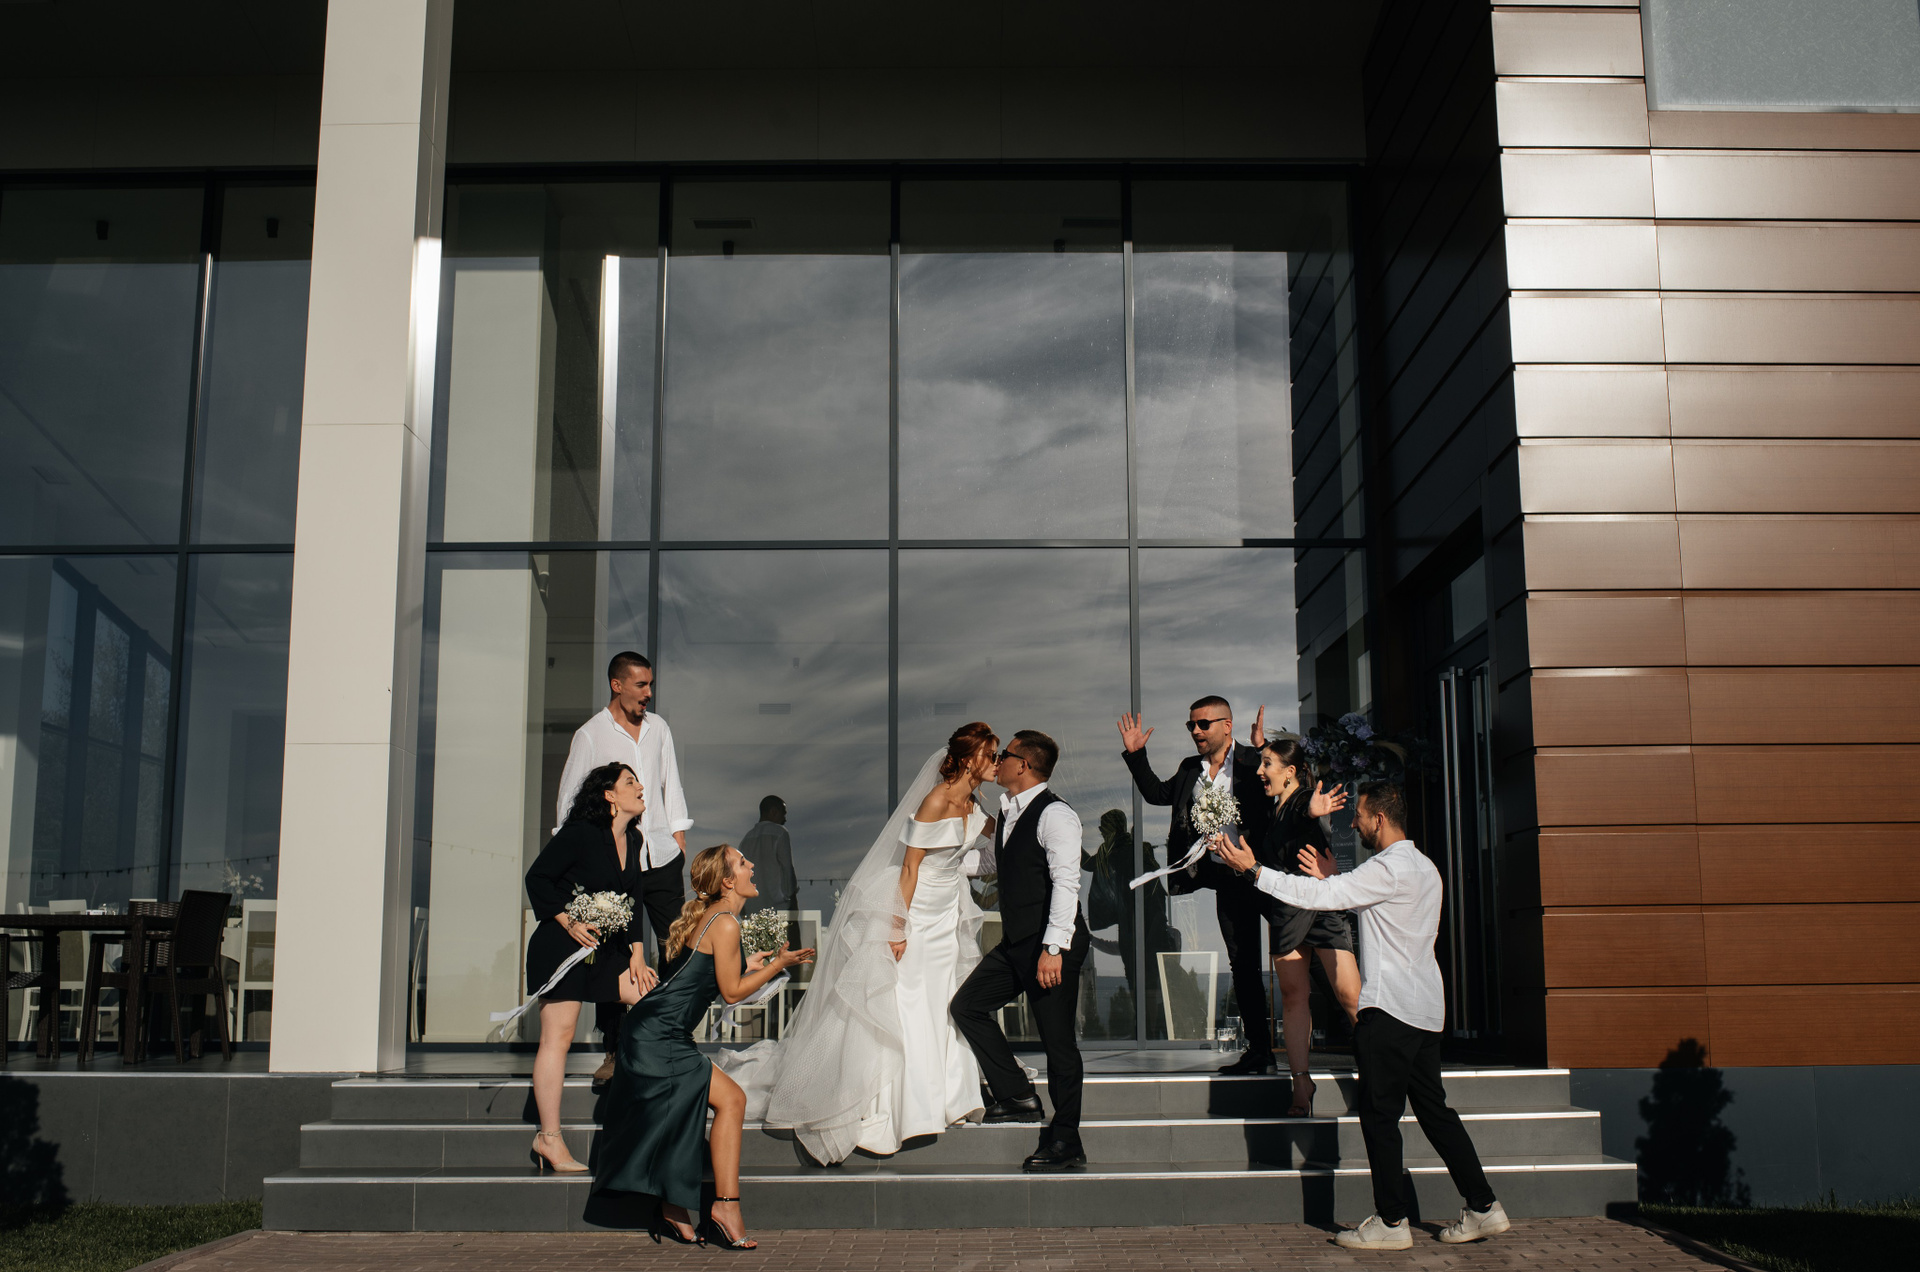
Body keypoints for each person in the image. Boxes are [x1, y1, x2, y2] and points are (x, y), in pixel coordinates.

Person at [1214, 781, 1511, 1249]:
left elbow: (1317, 898)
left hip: (1389, 1011)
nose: (1353, 823)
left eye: (1359, 815)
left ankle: (1392, 1223)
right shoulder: (1425, 868)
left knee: (1379, 1117)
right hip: (1425, 1011)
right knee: (1436, 1114)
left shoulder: (1386, 869)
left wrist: (1254, 870)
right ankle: (1484, 1207)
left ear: (1379, 819)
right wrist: (1334, 879)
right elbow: (1369, 907)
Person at [715, 723, 999, 1164]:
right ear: (968, 758)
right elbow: (909, 869)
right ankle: (898, 1106)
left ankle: (949, 1097)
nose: (996, 762)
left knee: (945, 999)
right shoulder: (936, 800)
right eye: (991, 754)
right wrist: (897, 928)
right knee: (908, 1000)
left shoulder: (977, 804)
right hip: (918, 912)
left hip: (949, 914)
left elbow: (991, 850)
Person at [593, 844, 814, 1248]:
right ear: (728, 881)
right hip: (659, 1034)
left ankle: (676, 1207)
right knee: (732, 1100)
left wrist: (748, 966)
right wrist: (776, 966)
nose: (751, 866)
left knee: (715, 1104)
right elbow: (731, 993)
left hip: (657, 1030)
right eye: (743, 863)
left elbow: (702, 979)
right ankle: (725, 1207)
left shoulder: (714, 918)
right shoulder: (725, 923)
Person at [950, 729, 1092, 1173]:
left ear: (1023, 765)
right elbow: (995, 862)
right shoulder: (1009, 810)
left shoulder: (1056, 815)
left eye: (1005, 755)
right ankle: (1016, 1094)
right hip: (1017, 944)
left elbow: (1067, 884)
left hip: (1051, 945)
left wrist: (1053, 949)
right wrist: (938, 863)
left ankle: (1066, 1140)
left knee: (1058, 1043)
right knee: (967, 1006)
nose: (998, 762)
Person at [1118, 697, 1278, 1074]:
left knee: (1301, 954)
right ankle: (1260, 1052)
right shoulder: (1191, 769)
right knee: (1243, 966)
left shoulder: (1253, 762)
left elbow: (1284, 785)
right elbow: (1158, 795)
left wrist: (1263, 749)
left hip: (1269, 874)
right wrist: (1136, 755)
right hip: (1229, 880)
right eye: (1191, 725)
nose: (1196, 731)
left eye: (1204, 724)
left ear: (1227, 725)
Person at [553, 651, 693, 1084]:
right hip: (613, 863)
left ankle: (671, 1039)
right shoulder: (590, 735)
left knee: (678, 948)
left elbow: (670, 783)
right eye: (640, 685)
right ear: (617, 685)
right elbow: (569, 803)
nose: (648, 693)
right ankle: (614, 1051)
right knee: (613, 956)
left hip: (661, 857)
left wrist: (678, 837)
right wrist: (580, 858)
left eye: (650, 685)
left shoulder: (659, 729)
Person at [521, 761, 653, 1173]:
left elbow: (634, 900)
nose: (641, 787)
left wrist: (637, 954)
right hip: (562, 944)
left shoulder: (635, 838)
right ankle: (549, 1139)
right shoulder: (580, 833)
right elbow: (537, 878)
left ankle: (654, 1110)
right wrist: (569, 921)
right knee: (557, 1037)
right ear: (609, 795)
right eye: (630, 782)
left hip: (607, 950)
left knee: (651, 1001)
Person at [1257, 737, 1362, 1117]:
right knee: (1293, 997)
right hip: (1287, 911)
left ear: (1290, 772)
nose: (1260, 771)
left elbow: (1306, 811)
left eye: (1267, 764)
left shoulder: (1303, 800)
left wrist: (1314, 810)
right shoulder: (1273, 807)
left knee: (1350, 996)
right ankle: (1301, 1082)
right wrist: (1260, 744)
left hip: (1321, 906)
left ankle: (1378, 1074)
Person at [738, 796, 797, 919]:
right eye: (783, 814)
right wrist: (791, 899)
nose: (785, 819)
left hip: (751, 910)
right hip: (777, 909)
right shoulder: (780, 833)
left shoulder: (746, 839)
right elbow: (787, 870)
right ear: (773, 811)